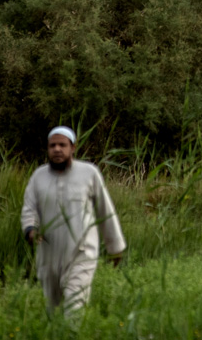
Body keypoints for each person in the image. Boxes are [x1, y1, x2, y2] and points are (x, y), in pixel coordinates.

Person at [21, 126, 126, 320]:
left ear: (73, 148)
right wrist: (31, 230)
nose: (57, 149)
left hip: (81, 253)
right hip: (48, 255)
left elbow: (105, 211)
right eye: (53, 145)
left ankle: (73, 332)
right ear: (47, 148)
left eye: (62, 145)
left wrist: (115, 248)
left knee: (74, 309)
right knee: (52, 311)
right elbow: (29, 208)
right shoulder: (38, 177)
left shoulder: (89, 173)